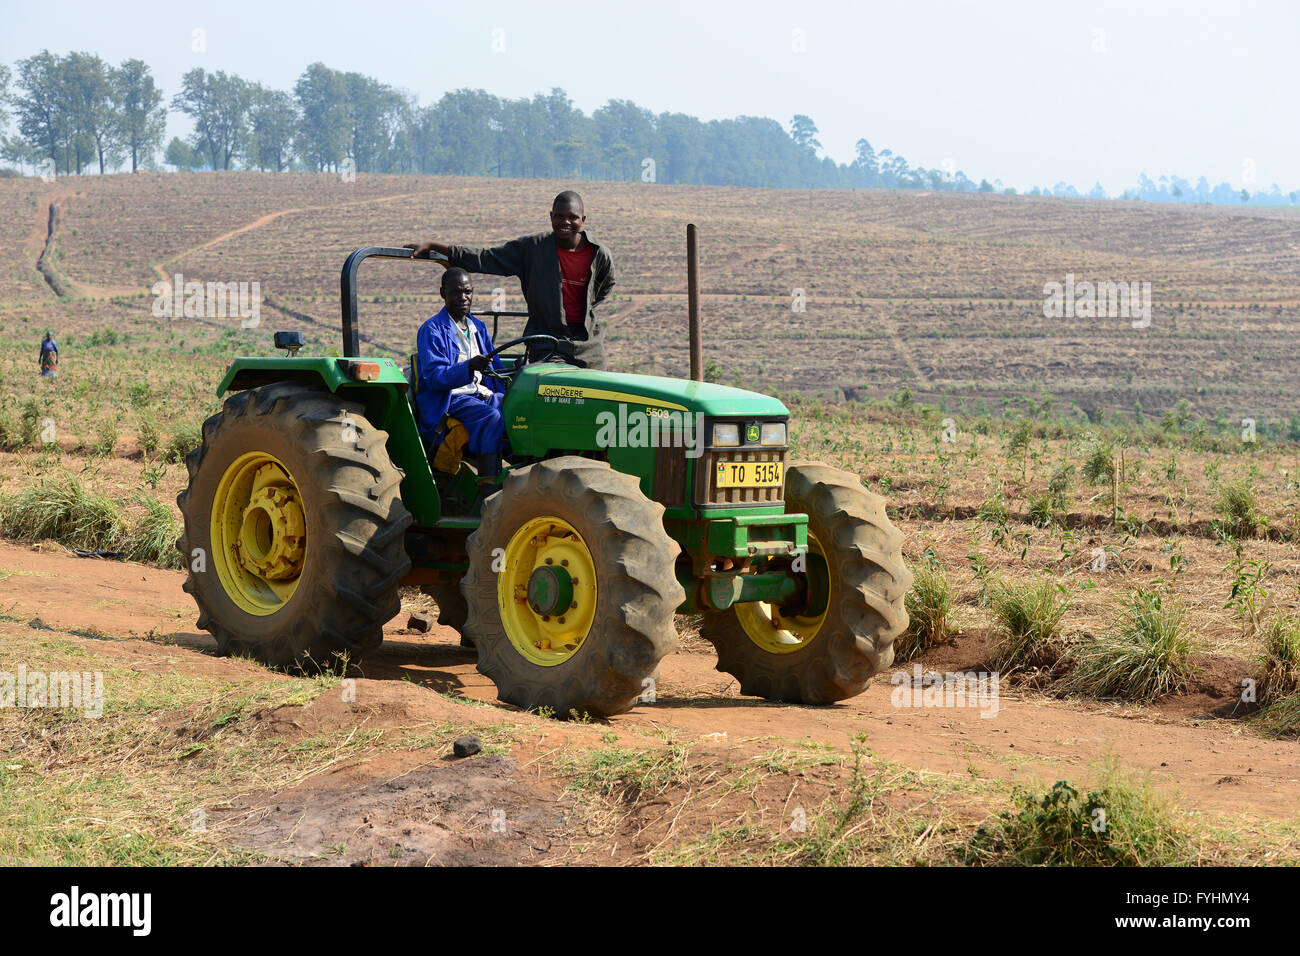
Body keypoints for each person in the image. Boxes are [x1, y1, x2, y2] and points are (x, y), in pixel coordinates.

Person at [405, 191, 615, 369]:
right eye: (559, 216)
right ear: (551, 216)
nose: (565, 222)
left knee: (600, 395)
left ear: (583, 219)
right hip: (548, 344)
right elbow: (485, 258)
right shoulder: (532, 248)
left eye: (572, 217)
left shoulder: (598, 253)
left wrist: (583, 306)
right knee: (554, 391)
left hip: (588, 346)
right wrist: (435, 246)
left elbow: (605, 285)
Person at [416, 268, 507, 478]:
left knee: (516, 407)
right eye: (456, 292)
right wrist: (468, 367)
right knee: (491, 417)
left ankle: (517, 467)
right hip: (451, 398)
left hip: (479, 394)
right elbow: (434, 377)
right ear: (443, 293)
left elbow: (496, 370)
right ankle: (489, 480)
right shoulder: (433, 330)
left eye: (467, 292)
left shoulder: (478, 327)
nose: (463, 298)